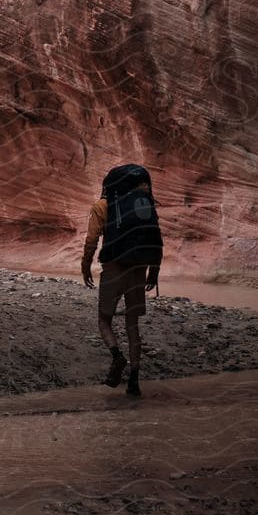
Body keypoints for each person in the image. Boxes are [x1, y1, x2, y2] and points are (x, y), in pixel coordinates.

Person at [80, 162, 163, 397]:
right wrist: (153, 272)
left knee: (104, 320)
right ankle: (134, 380)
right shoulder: (144, 207)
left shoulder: (103, 206)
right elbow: (155, 238)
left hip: (114, 268)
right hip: (139, 269)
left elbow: (92, 240)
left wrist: (86, 266)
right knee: (132, 324)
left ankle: (117, 356)